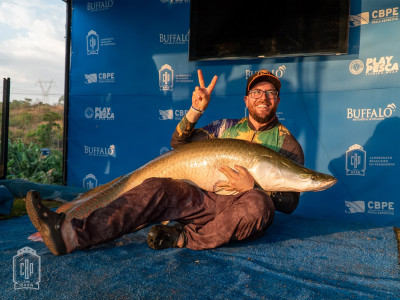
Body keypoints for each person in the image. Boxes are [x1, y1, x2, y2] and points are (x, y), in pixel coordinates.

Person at [26, 69, 304, 255]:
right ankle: (69, 234)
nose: (263, 97)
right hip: (206, 202)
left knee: (258, 204)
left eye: (270, 93)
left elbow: (289, 204)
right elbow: (179, 144)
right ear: (247, 99)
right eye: (257, 92)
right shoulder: (225, 127)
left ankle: (183, 237)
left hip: (239, 211)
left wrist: (253, 186)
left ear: (278, 100)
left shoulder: (288, 143)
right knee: (155, 187)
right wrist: (196, 110)